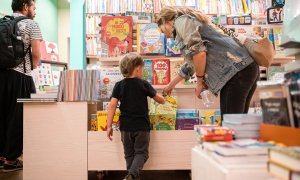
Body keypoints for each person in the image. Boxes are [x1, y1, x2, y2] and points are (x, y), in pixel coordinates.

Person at [157, 7, 259, 119]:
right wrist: (171, 85)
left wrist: (199, 83)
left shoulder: (181, 22)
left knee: (231, 124)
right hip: (245, 68)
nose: (166, 35)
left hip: (237, 72)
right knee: (237, 124)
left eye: (162, 31)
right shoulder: (189, 22)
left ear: (165, 22)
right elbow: (192, 63)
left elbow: (199, 54)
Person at [107, 53, 165, 180]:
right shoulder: (143, 84)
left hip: (125, 127)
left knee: (129, 154)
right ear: (138, 68)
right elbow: (159, 99)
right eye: (142, 69)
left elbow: (112, 105)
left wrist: (108, 126)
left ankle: (131, 176)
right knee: (142, 153)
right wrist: (164, 99)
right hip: (141, 126)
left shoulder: (119, 85)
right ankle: (132, 175)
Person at [0, 0, 42, 172]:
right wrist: (29, 69)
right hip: (21, 76)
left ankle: (1, 156)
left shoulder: (4, 22)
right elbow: (37, 54)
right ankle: (11, 160)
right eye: (34, 7)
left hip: (2, 75)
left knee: (2, 115)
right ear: (25, 6)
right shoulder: (31, 24)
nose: (35, 11)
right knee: (20, 118)